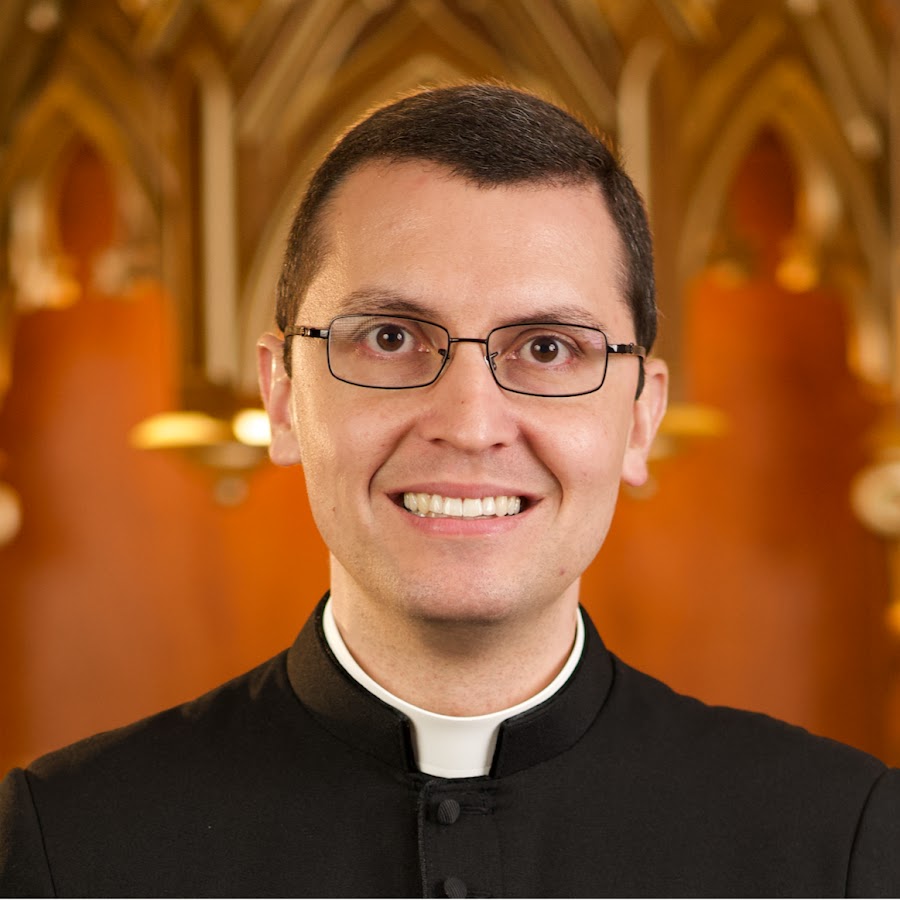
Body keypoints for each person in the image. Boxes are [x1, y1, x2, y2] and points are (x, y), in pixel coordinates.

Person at [0, 82, 898, 898]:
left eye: (547, 348)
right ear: (281, 397)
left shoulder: (842, 842)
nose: (470, 424)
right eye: (390, 338)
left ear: (639, 416)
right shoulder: (63, 847)